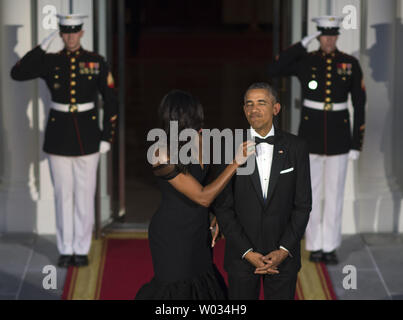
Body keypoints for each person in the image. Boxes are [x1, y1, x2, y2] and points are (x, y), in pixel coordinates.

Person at [10, 14, 118, 268]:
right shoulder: (50, 61)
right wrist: (42, 46)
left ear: (82, 33)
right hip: (59, 137)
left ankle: (81, 248)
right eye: (65, 32)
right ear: (60, 33)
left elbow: (112, 100)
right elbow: (18, 73)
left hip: (89, 136)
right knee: (63, 195)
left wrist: (107, 136)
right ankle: (65, 248)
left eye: (74, 31)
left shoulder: (96, 62)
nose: (70, 36)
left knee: (84, 194)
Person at [135, 90, 255, 300]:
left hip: (199, 231)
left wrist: (214, 215)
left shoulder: (199, 138)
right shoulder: (160, 152)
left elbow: (211, 183)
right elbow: (202, 196)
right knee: (175, 291)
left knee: (202, 286)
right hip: (172, 235)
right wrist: (236, 162)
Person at [267, 16, 366, 265]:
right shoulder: (306, 60)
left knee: (334, 194)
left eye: (333, 35)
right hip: (310, 137)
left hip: (340, 138)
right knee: (309, 195)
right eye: (324, 35)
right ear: (318, 37)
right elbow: (275, 68)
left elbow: (359, 104)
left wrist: (356, 142)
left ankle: (329, 246)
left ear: (337, 37)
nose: (329, 40)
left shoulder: (350, 63)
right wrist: (302, 44)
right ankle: (313, 244)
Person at [212, 82, 312, 300]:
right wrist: (248, 253)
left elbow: (303, 205)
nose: (253, 109)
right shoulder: (228, 147)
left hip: (283, 258)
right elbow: (223, 206)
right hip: (242, 257)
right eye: (249, 104)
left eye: (261, 103)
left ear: (276, 108)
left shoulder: (297, 147)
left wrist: (283, 250)